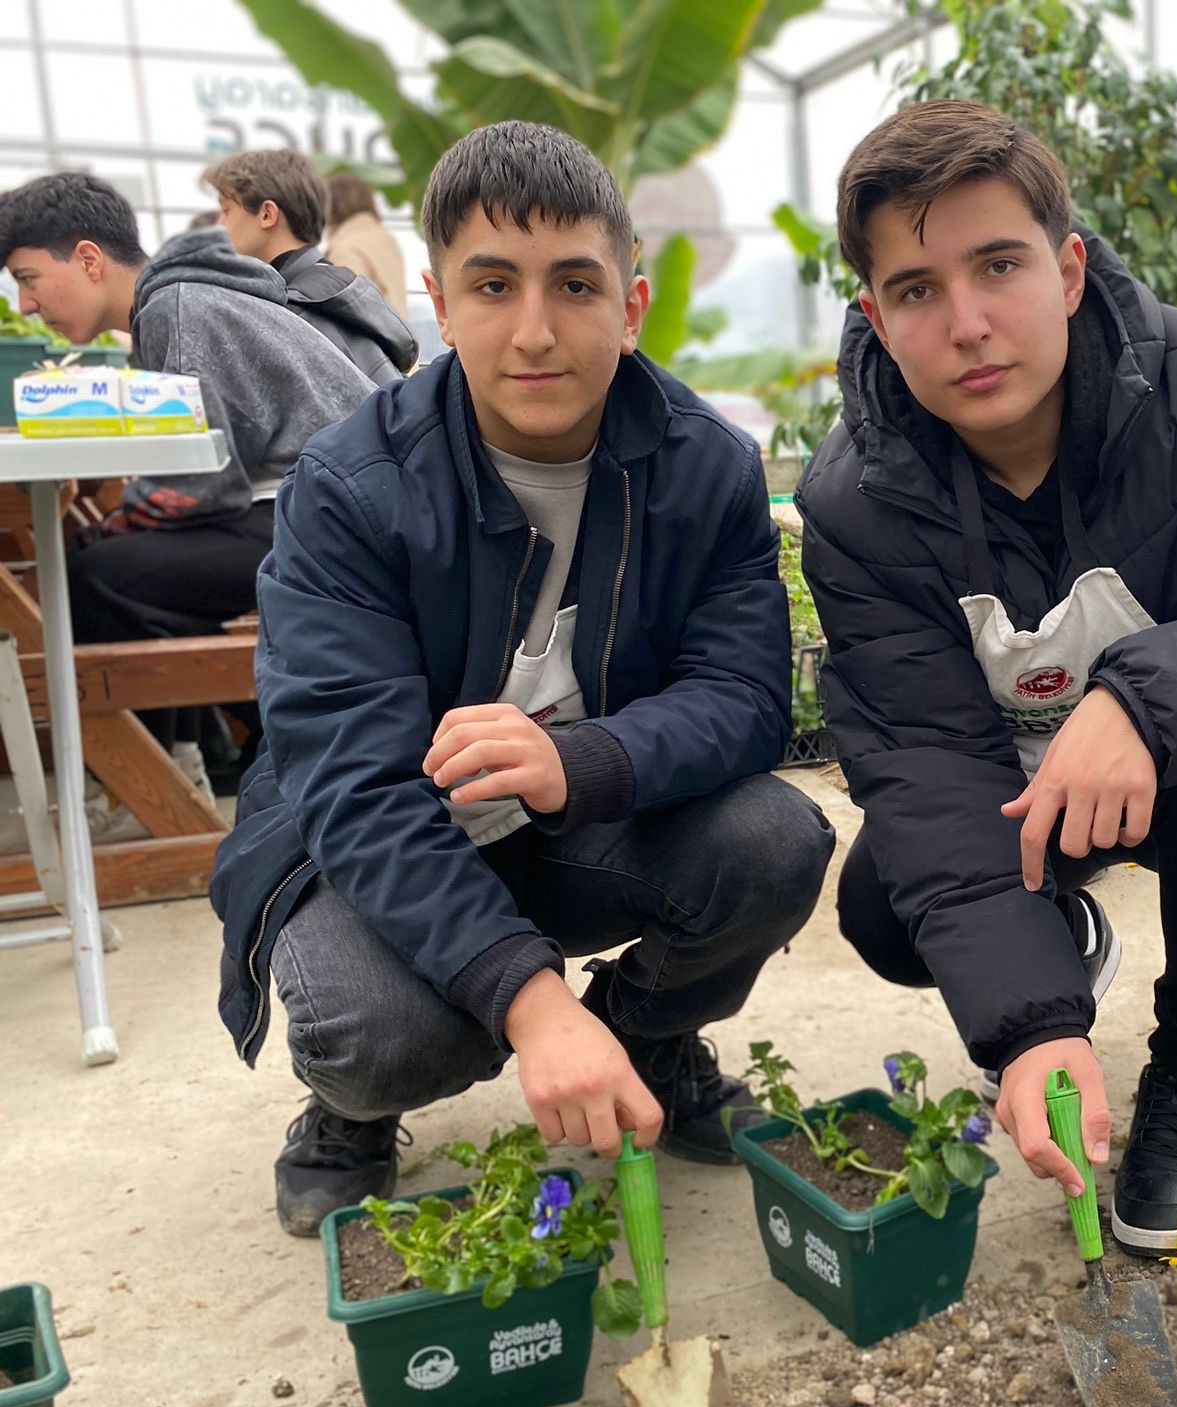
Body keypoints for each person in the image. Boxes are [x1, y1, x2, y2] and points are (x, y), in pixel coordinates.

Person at [210, 121, 836, 1237]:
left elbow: (743, 697)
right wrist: (530, 1001)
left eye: (575, 286)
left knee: (774, 842)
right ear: (441, 308)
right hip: (383, 837)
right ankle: (352, 1110)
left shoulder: (705, 468)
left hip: (575, 824)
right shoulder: (352, 489)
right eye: (493, 286)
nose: (536, 332)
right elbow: (351, 781)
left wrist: (582, 760)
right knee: (384, 1038)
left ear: (631, 308)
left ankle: (644, 1037)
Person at [797, 102, 1177, 1256]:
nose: (967, 323)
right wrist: (1031, 1025)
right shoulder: (855, 504)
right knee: (883, 907)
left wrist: (1142, 703)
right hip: (1014, 797)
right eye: (916, 290)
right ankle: (1059, 940)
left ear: (1066, 271)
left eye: (999, 266)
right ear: (875, 317)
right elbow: (922, 764)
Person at [0, 174, 377, 759]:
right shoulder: (180, 299)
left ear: (89, 259)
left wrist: (120, 522)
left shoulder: (175, 308)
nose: (25, 304)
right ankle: (207, 753)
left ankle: (161, 772)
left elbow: (207, 486)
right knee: (119, 566)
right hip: (324, 502)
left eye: (28, 279)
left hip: (336, 517)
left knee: (97, 576)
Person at [205, 148, 417, 384]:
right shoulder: (335, 287)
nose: (219, 224)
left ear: (267, 214)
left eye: (227, 210)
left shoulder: (292, 316)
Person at [323, 170, 410, 317]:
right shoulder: (387, 240)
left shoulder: (346, 249)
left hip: (372, 331)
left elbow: (351, 311)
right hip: (399, 327)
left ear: (332, 208)